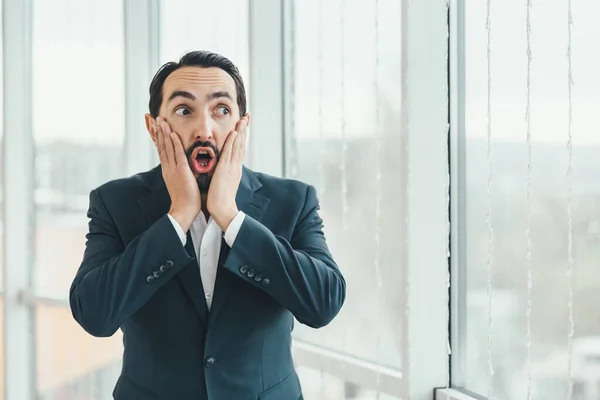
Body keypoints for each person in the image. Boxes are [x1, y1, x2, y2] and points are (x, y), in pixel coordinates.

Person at [68, 50, 346, 400]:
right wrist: (178, 216)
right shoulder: (114, 202)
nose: (204, 129)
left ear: (241, 125)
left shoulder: (293, 201)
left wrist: (231, 217)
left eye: (222, 110)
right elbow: (94, 314)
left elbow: (323, 303)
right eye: (184, 111)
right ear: (155, 129)